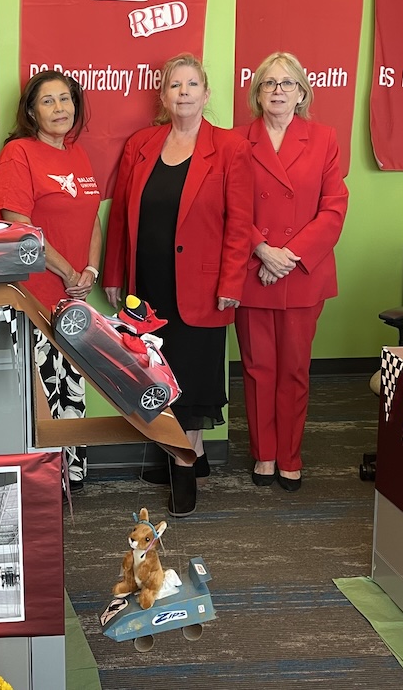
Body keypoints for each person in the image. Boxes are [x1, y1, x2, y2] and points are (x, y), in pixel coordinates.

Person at [102, 53, 254, 517]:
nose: (183, 91)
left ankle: (184, 466)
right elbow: (122, 218)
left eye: (192, 84)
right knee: (156, 370)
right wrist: (114, 275)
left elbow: (240, 223)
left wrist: (232, 281)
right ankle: (188, 454)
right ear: (163, 96)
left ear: (206, 94)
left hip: (204, 287)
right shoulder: (142, 144)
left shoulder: (230, 148)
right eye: (174, 85)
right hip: (148, 284)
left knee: (192, 375)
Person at [234, 51, 348, 492]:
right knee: (258, 367)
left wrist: (289, 255)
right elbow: (230, 208)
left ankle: (290, 456)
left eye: (286, 83)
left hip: (302, 273)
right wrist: (263, 250)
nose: (277, 91)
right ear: (257, 92)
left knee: (295, 369)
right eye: (268, 83)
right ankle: (264, 455)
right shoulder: (238, 141)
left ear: (301, 92)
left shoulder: (323, 138)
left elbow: (334, 207)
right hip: (252, 270)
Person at [0, 70, 102, 490]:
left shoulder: (78, 154)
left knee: (71, 388)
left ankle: (69, 477)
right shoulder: (20, 153)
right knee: (40, 392)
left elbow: (92, 218)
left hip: (74, 299)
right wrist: (66, 271)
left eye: (65, 99)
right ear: (32, 111)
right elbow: (18, 225)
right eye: (48, 101)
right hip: (34, 298)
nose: (60, 108)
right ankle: (37, 484)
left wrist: (89, 270)